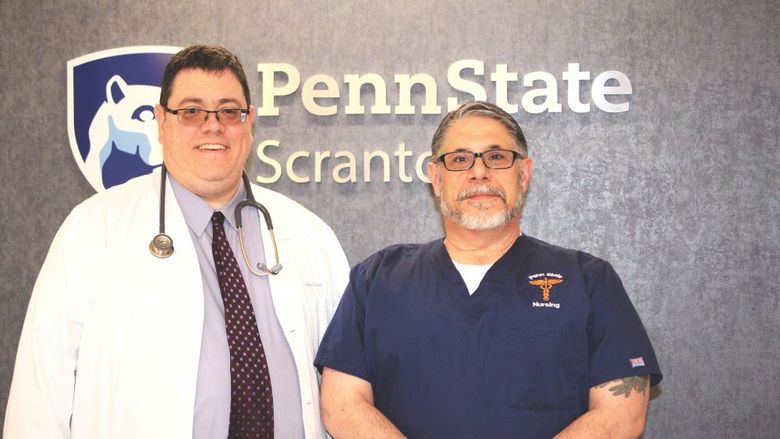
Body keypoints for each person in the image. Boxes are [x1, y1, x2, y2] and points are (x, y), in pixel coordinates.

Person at [4, 45, 349, 439]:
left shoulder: (309, 235)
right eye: (191, 111)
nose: (213, 125)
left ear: (249, 122)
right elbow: (40, 396)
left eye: (229, 111)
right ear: (161, 122)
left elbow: (346, 387)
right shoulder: (92, 230)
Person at [315, 101, 663, 438]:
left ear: (523, 173)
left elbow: (623, 415)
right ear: (435, 178)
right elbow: (341, 404)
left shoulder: (589, 281)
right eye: (460, 159)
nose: (479, 172)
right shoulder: (377, 280)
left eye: (497, 157)